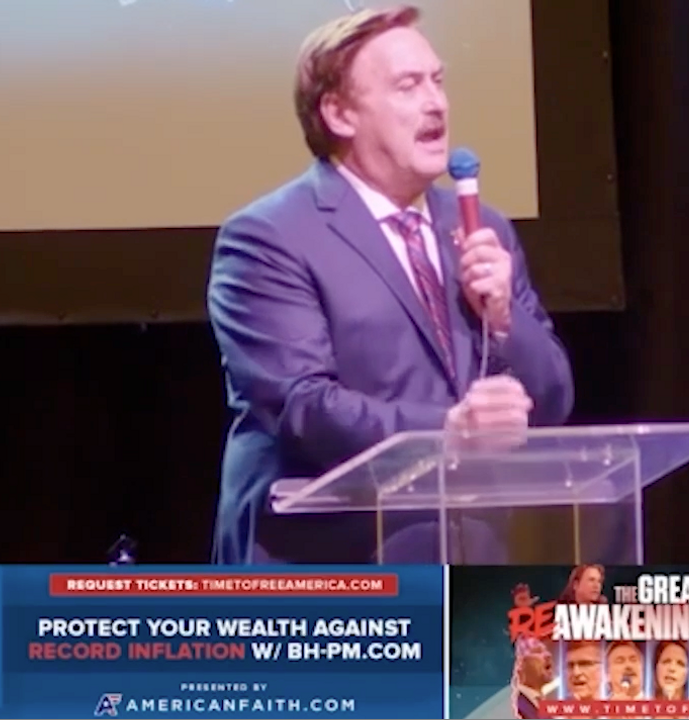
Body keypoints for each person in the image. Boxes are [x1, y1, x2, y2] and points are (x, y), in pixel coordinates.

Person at [206, 5, 574, 564]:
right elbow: (303, 408)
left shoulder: (482, 227)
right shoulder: (269, 236)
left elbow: (552, 400)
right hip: (326, 564)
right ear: (339, 114)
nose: (437, 103)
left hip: (463, 560)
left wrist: (504, 318)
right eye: (408, 86)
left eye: (438, 81)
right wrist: (447, 431)